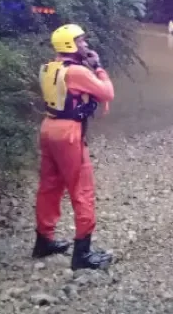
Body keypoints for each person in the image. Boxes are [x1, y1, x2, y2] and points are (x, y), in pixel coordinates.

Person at [34, 24, 115, 270]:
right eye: (81, 41)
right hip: (69, 133)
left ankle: (43, 241)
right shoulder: (76, 72)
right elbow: (107, 93)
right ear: (70, 45)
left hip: (49, 128)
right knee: (82, 190)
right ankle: (82, 254)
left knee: (49, 186)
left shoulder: (49, 68)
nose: (86, 45)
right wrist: (99, 66)